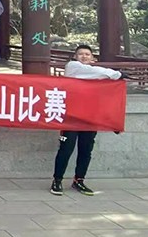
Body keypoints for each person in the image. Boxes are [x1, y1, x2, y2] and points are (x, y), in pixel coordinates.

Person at [50, 45, 126, 197]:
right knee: (66, 149)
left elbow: (109, 96)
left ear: (92, 58)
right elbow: (91, 71)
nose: (84, 56)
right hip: (71, 118)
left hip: (90, 118)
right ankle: (57, 180)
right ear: (75, 57)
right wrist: (116, 74)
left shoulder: (98, 75)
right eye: (80, 54)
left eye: (87, 54)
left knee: (86, 150)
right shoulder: (72, 67)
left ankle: (79, 180)